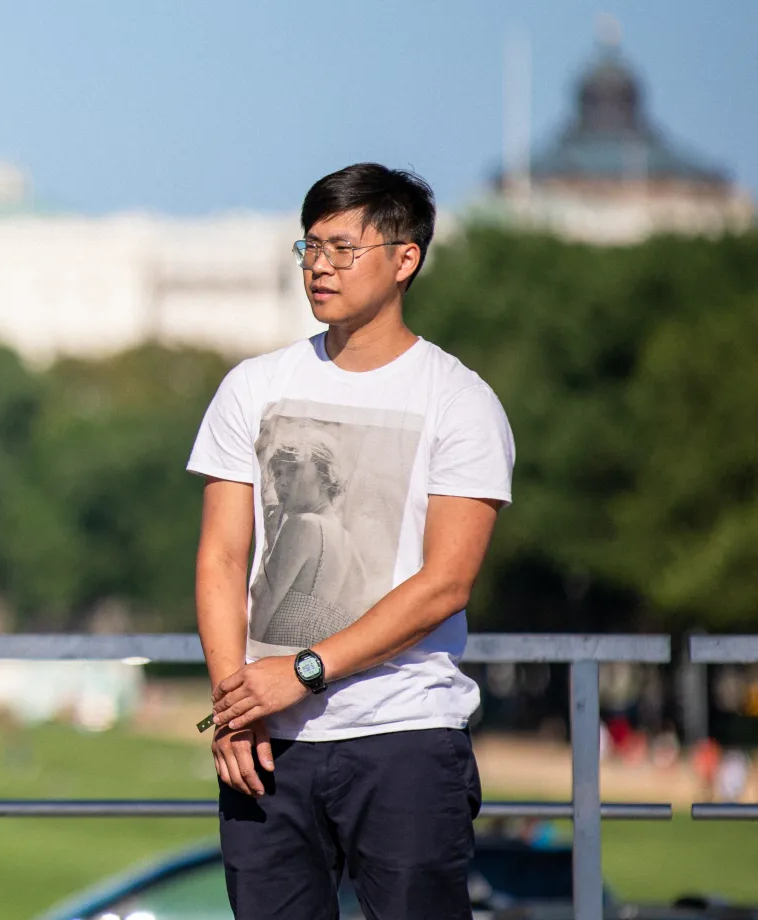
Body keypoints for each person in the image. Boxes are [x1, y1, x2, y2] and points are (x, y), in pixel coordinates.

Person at [187, 163, 515, 920]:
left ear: (406, 259)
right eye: (308, 247)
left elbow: (445, 584)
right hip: (268, 742)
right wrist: (235, 703)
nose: (319, 266)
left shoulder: (458, 401)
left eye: (342, 247)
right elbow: (220, 558)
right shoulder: (252, 386)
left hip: (405, 735)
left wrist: (299, 672)